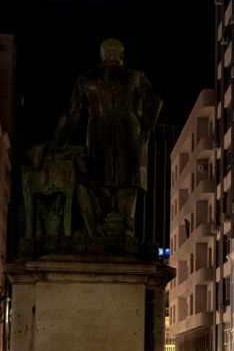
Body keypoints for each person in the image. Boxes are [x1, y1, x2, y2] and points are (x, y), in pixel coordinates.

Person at [51, 38, 162, 236]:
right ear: (121, 55)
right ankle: (126, 229)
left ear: (101, 55)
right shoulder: (135, 76)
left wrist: (56, 145)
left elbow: (70, 115)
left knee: (99, 181)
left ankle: (102, 229)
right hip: (129, 134)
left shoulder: (86, 78)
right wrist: (147, 124)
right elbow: (154, 99)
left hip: (97, 135)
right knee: (128, 183)